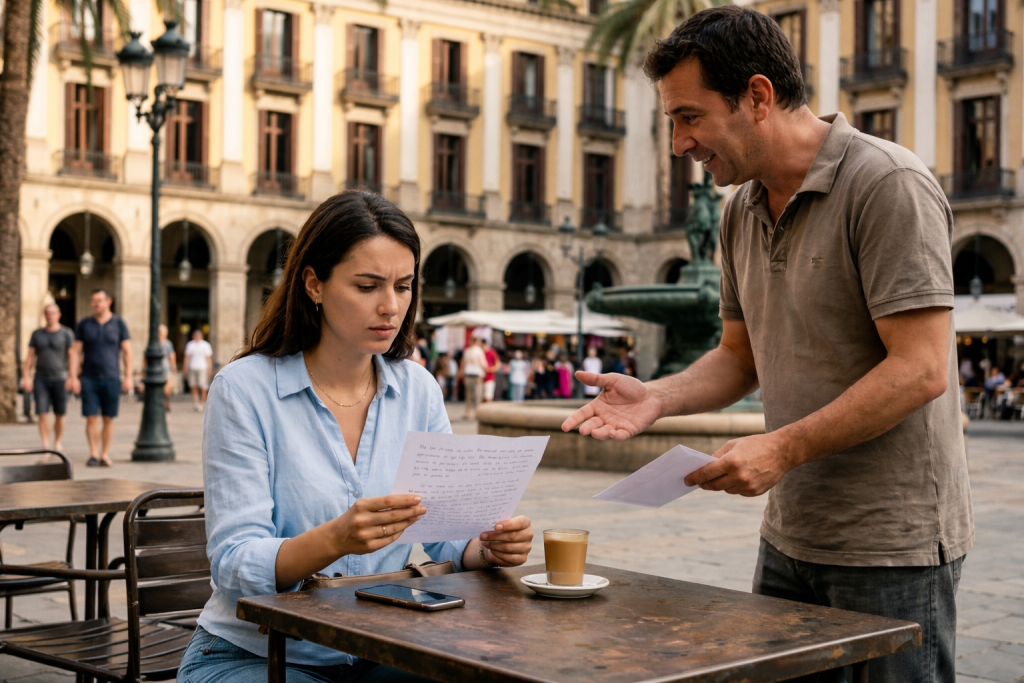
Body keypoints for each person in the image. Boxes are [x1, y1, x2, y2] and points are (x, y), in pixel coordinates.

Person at [562, 8, 971, 682]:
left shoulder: (887, 184)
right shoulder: (738, 210)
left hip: (891, 546)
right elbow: (737, 356)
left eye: (688, 116)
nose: (677, 143)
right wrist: (654, 397)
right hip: (789, 537)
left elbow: (921, 369)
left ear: (756, 96)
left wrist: (780, 448)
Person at [178, 190, 533, 683]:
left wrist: (487, 549)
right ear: (314, 284)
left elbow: (447, 537)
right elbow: (234, 561)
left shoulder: (418, 389)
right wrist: (334, 539)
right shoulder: (244, 389)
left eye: (404, 286)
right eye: (367, 286)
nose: (391, 306)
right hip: (255, 654)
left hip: (380, 648)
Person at [69, 288, 132, 467]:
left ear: (108, 301)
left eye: (99, 300)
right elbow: (75, 352)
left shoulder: (119, 323)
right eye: (94, 301)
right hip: (89, 378)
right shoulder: (84, 324)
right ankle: (93, 454)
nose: (95, 304)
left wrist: (128, 377)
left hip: (112, 377)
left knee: (108, 418)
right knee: (90, 417)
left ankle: (105, 454)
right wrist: (73, 377)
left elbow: (127, 351)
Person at [21, 304, 75, 451]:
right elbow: (30, 357)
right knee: (42, 413)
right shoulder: (37, 334)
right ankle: (45, 444)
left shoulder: (66, 333)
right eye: (47, 313)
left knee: (60, 414)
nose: (49, 316)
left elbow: (72, 356)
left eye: (52, 313)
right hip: (41, 379)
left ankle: (57, 442)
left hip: (60, 378)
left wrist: (72, 377)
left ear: (59, 314)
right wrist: (26, 377)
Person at [184, 329, 214, 412]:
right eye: (195, 335)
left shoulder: (205, 345)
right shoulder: (190, 344)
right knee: (193, 385)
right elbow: (187, 357)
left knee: (202, 385)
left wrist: (209, 368)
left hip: (202, 367)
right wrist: (185, 367)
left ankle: (202, 402)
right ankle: (195, 402)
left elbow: (208, 358)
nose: (197, 337)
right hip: (192, 367)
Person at [460, 336, 486, 419]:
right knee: (477, 395)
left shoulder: (467, 350)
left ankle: (468, 412)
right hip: (477, 374)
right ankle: (476, 413)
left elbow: (463, 363)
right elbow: (483, 363)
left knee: (468, 395)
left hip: (468, 374)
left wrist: (461, 371)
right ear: (477, 341)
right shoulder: (479, 350)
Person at [159, 324, 177, 412]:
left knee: (167, 388)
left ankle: (167, 403)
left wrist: (173, 367)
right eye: (159, 331)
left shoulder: (168, 343)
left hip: (166, 369)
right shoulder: (154, 342)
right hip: (156, 369)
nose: (160, 333)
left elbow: (172, 356)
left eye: (162, 331)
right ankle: (160, 404)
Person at [481, 339, 501, 403]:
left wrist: (489, 369)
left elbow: (498, 364)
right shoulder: (480, 353)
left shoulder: (492, 352)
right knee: (481, 397)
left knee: (488, 397)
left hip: (489, 378)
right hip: (481, 378)